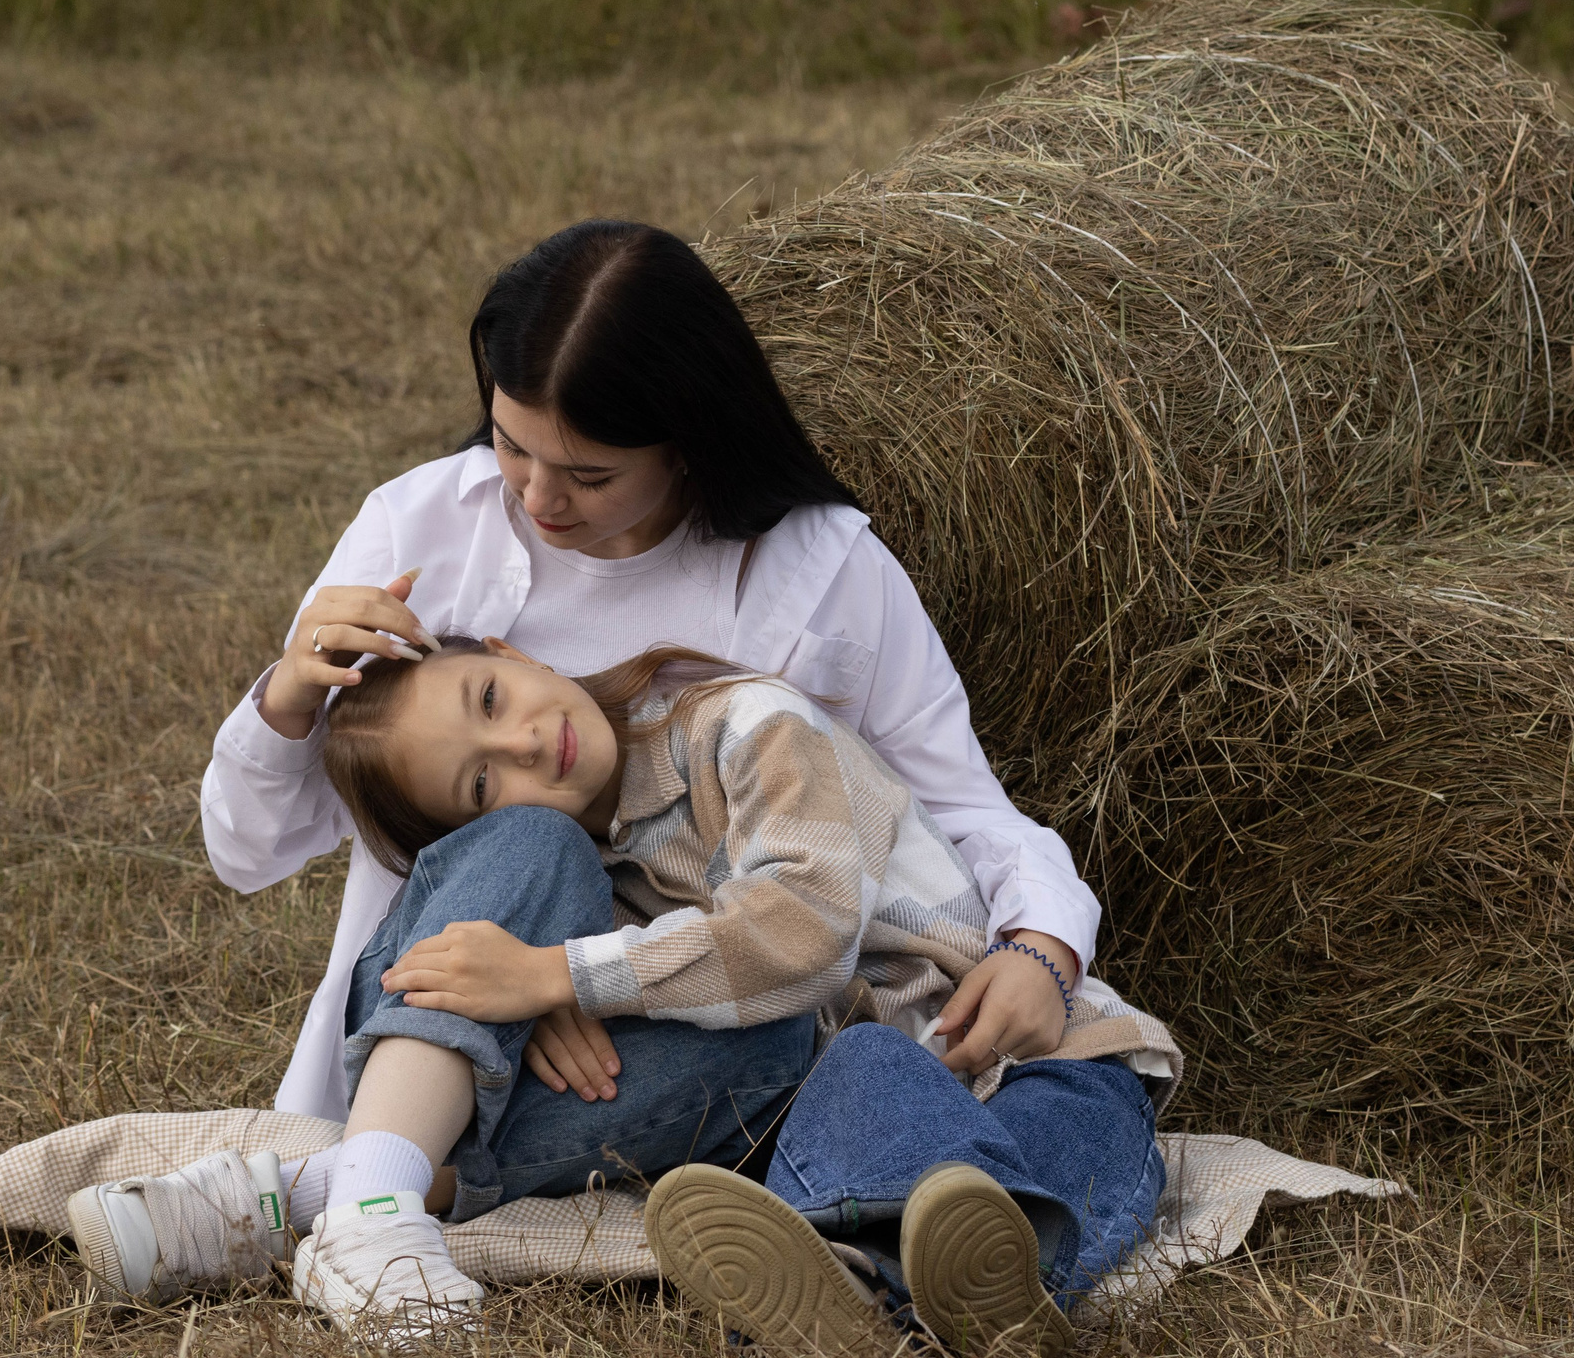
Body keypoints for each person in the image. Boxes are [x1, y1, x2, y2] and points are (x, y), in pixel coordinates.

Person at [197, 220, 1098, 1135]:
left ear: (687, 441)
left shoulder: (821, 575)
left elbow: (956, 804)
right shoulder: (423, 528)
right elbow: (248, 851)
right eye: (511, 445)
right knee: (527, 845)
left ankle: (406, 1192)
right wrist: (290, 697)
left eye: (588, 474)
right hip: (451, 1006)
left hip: (708, 1022)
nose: (538, 499)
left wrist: (1044, 943)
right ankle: (381, 1173)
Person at [74, 638, 1179, 1350]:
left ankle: (309, 1197)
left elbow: (798, 939)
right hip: (795, 1095)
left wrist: (557, 975)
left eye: (493, 694)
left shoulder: (748, 725)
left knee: (983, 1136)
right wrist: (534, 980)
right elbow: (701, 1011)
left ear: (512, 652)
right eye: (477, 783)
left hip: (1027, 1055)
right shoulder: (562, 870)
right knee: (562, 880)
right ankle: (369, 1201)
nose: (521, 741)